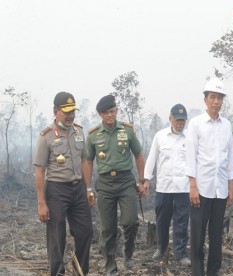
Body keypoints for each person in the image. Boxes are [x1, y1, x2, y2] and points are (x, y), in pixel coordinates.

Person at [83, 95, 149, 276]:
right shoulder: (94, 134)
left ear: (116, 111)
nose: (110, 115)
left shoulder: (127, 130)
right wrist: (88, 188)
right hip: (104, 184)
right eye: (106, 113)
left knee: (131, 221)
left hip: (126, 181)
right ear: (100, 114)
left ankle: (128, 252)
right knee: (107, 229)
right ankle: (110, 266)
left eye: (112, 111)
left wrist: (142, 180)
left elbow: (139, 155)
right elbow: (88, 161)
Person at [34, 91, 93, 276]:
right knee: (56, 236)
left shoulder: (79, 131)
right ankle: (58, 273)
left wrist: (88, 188)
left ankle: (80, 271)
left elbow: (85, 161)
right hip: (57, 190)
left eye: (72, 111)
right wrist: (42, 203)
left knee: (85, 232)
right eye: (66, 111)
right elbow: (40, 171)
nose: (70, 115)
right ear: (55, 112)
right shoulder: (47, 136)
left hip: (78, 189)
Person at [186, 78, 233, 276]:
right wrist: (192, 186)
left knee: (216, 236)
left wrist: (231, 185)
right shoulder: (196, 124)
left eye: (219, 98)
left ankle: (213, 272)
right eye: (212, 97)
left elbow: (229, 155)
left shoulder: (226, 125)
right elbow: (191, 156)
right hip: (202, 189)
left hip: (220, 189)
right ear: (205, 100)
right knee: (198, 236)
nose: (216, 101)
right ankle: (197, 272)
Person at [144, 103, 191, 266]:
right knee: (162, 220)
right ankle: (161, 248)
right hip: (164, 187)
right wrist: (146, 179)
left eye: (183, 121)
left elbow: (195, 162)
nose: (180, 123)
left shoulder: (190, 138)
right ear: (170, 119)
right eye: (177, 120)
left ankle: (180, 253)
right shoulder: (160, 136)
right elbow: (151, 158)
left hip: (184, 188)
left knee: (182, 222)